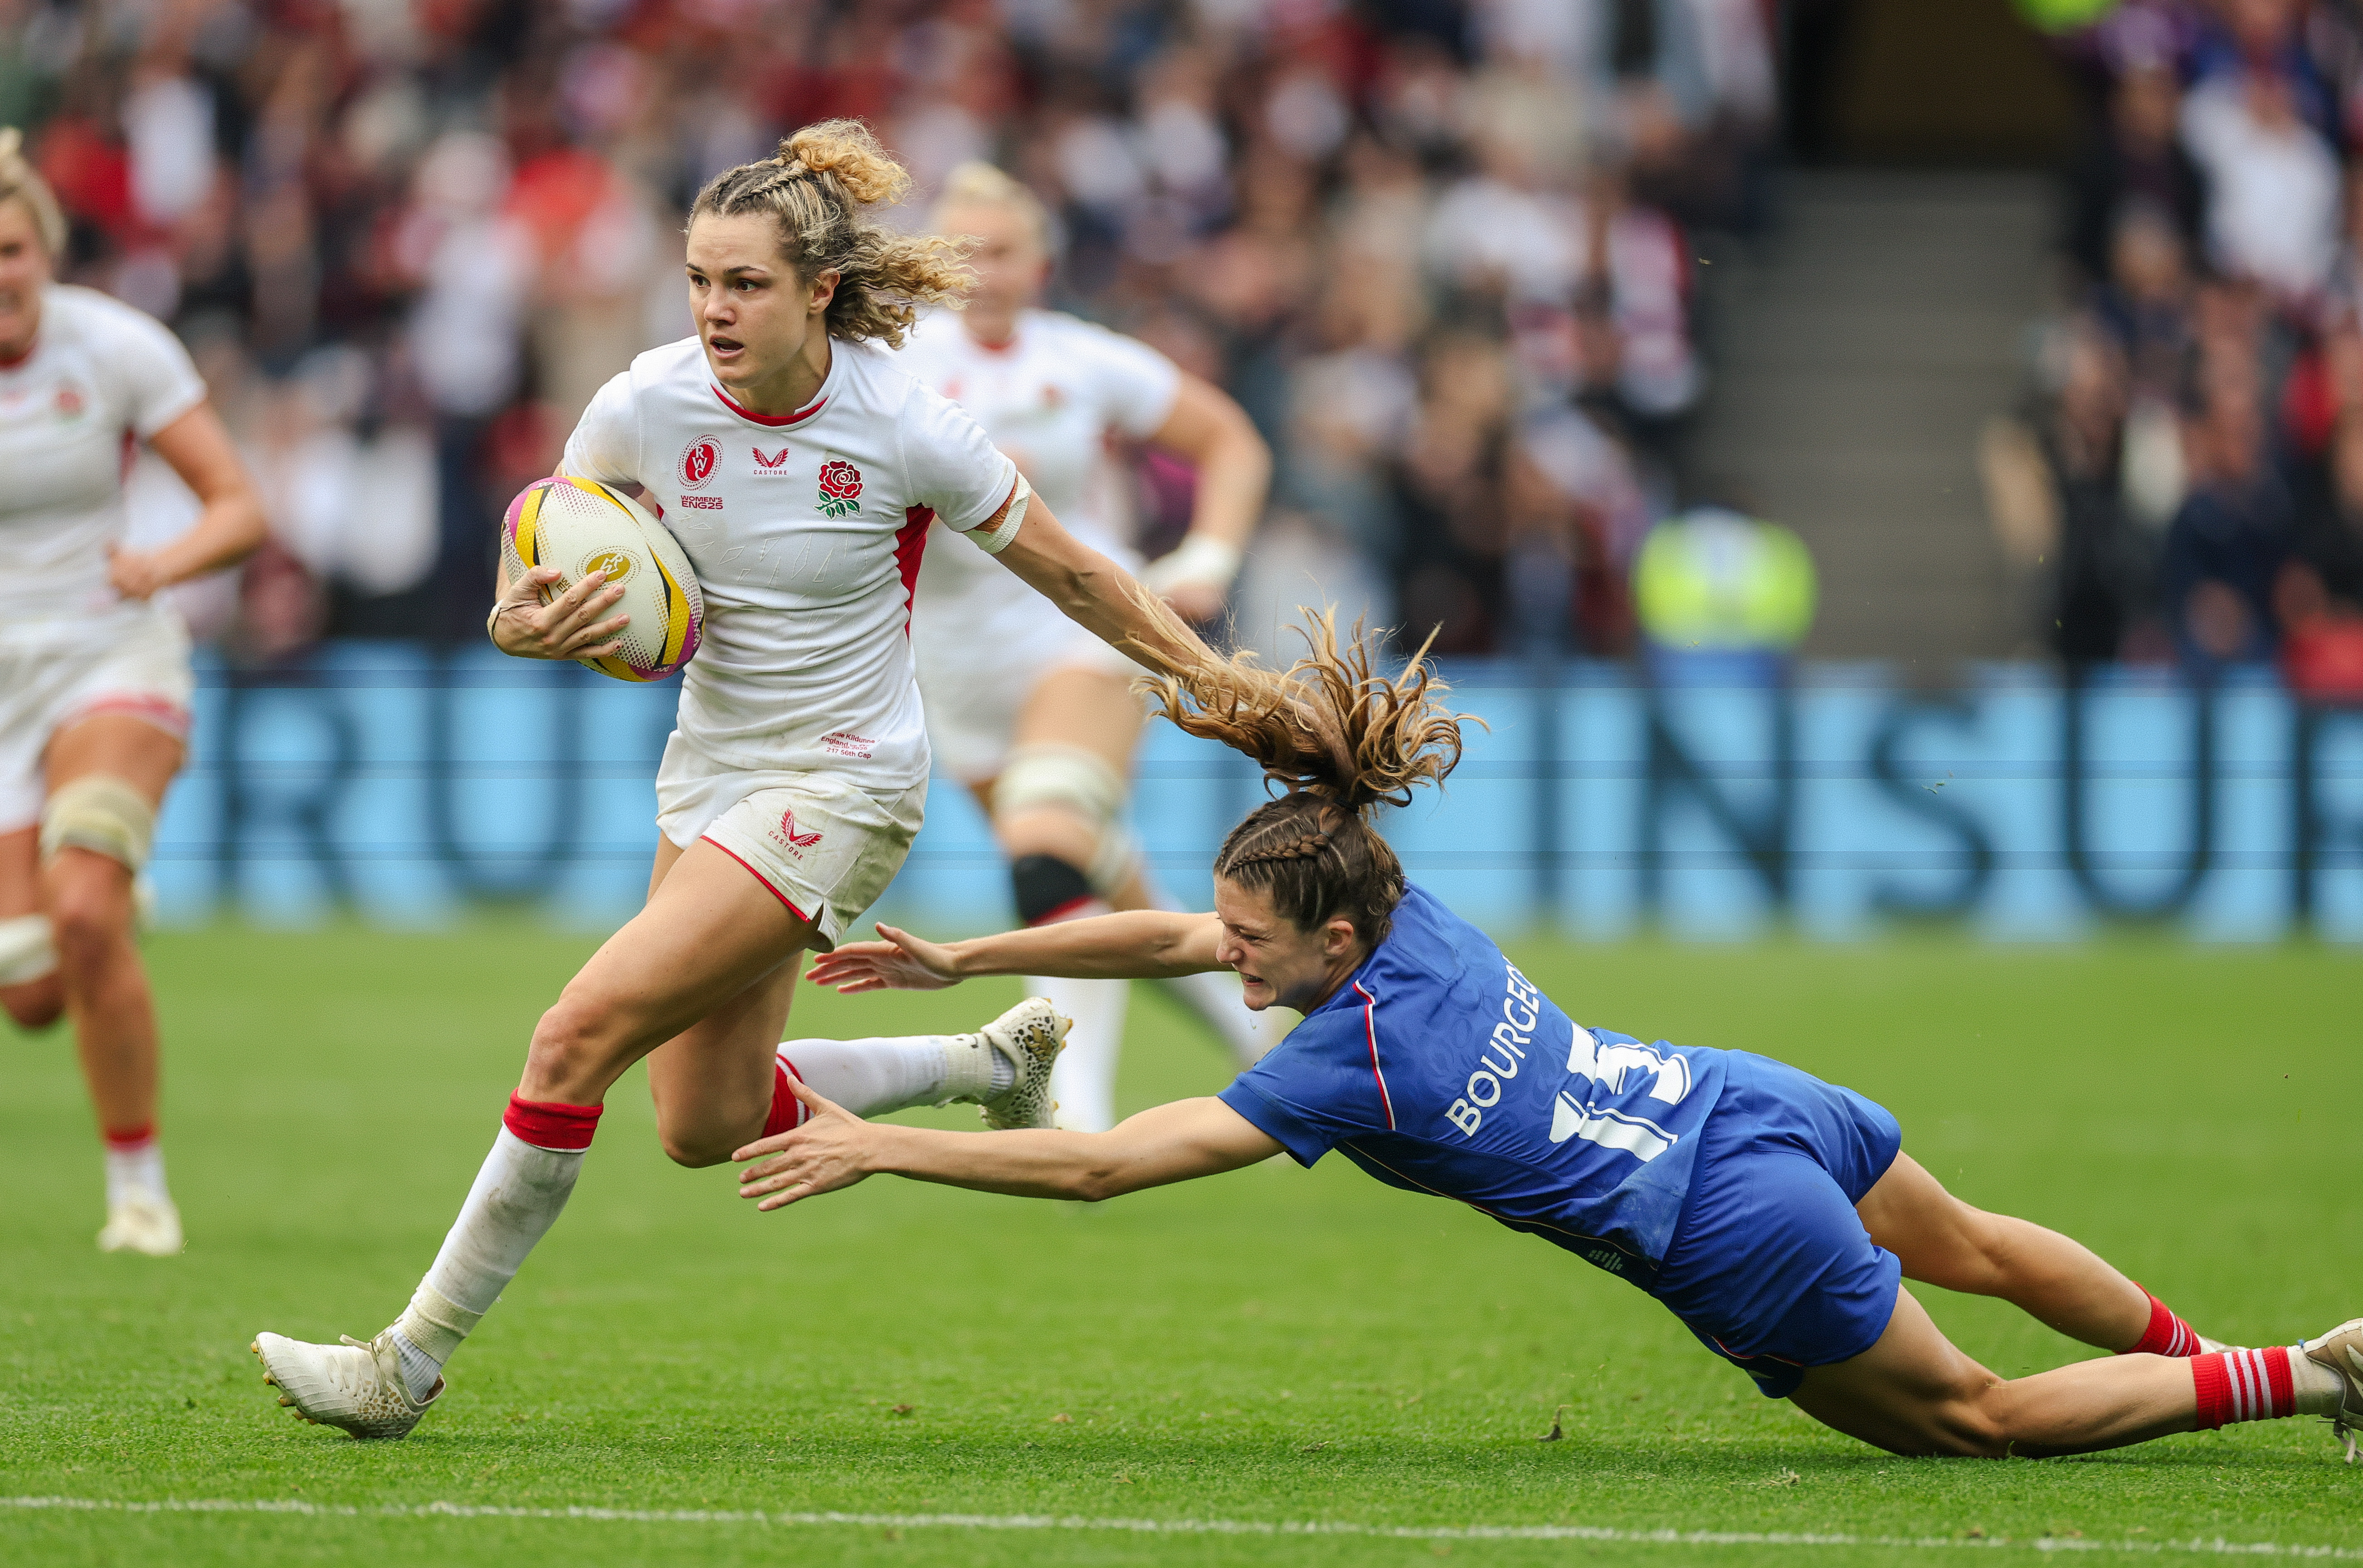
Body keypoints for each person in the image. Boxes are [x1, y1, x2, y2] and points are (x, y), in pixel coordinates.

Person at [755, 605, 2363, 1461]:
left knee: (1982, 1419)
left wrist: (875, 1141)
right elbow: (1174, 923)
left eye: (1254, 952)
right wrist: (967, 956)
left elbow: (1107, 1170)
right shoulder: (1396, 901)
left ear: (1328, 939)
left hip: (1725, 1223)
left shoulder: (1345, 1057)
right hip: (1748, 1100)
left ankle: (2302, 1376)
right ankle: (2217, 1360)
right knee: (1993, 1250)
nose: (1225, 970)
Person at [252, 121, 1221, 1439]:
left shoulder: (903, 421)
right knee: (702, 1120)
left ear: (819, 290)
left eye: (747, 283)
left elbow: (1078, 572)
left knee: (571, 1035)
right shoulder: (647, 398)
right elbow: (540, 533)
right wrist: (514, 617)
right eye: (701, 278)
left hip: (846, 780)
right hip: (708, 768)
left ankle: (403, 1361)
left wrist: (1232, 690)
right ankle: (983, 1054)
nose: (715, 307)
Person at [895, 161, 1283, 1132]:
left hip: (1082, 630)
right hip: (954, 664)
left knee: (1045, 854)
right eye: (962, 253)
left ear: (1042, 260)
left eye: (1003, 250)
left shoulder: (1081, 361)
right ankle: (1253, 1031)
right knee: (1087, 876)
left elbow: (1230, 440)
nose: (983, 271)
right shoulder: (889, 362)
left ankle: (1073, 1111)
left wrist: (1208, 554)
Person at [0, 130, 268, 1256]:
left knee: (83, 914)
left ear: (45, 253)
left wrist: (164, 562)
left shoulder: (112, 347)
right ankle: (86, 882)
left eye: (10, 249)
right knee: (31, 993)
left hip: (111, 652)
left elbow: (237, 505)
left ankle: (139, 1194)